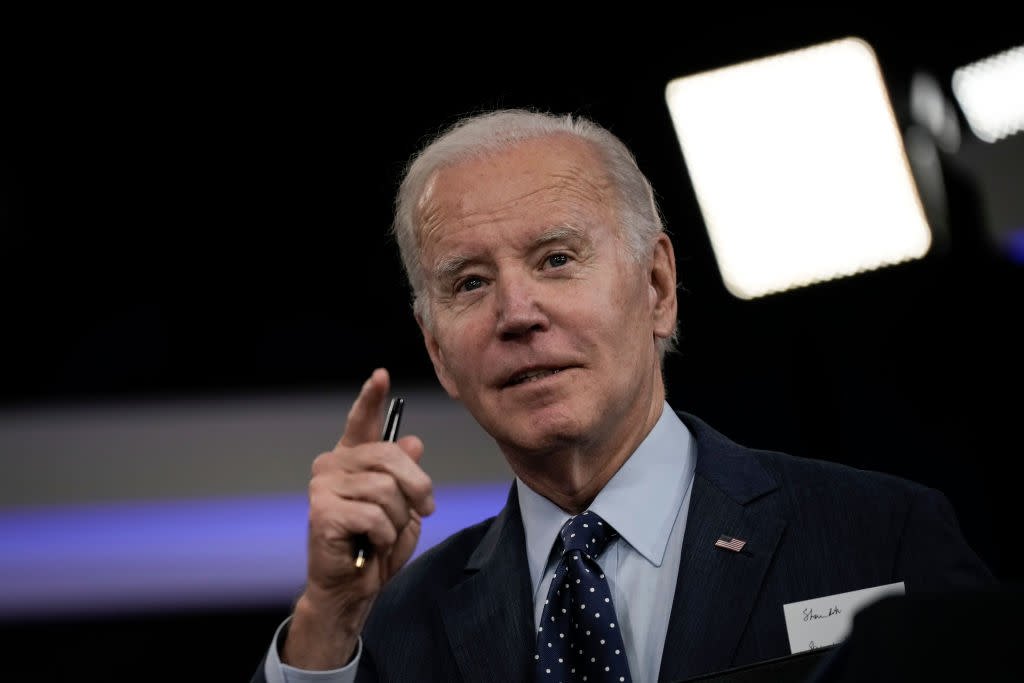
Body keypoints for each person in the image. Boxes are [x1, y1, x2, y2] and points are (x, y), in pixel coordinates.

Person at [251, 109, 995, 683]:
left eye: (557, 258)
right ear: (438, 351)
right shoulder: (386, 629)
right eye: (470, 282)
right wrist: (328, 614)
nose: (517, 312)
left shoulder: (882, 536)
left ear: (658, 287)